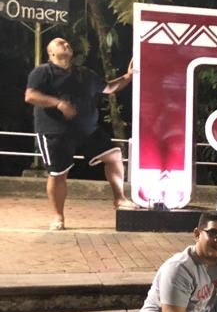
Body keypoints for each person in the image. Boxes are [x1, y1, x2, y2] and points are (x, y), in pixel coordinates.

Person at [25, 37, 136, 230]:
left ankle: (119, 199)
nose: (66, 44)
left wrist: (128, 76)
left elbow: (109, 88)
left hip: (87, 130)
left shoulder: (85, 73)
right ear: (51, 53)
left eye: (67, 43)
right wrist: (58, 103)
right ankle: (58, 217)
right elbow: (31, 96)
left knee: (114, 155)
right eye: (60, 43)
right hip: (55, 132)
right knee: (58, 174)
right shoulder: (43, 72)